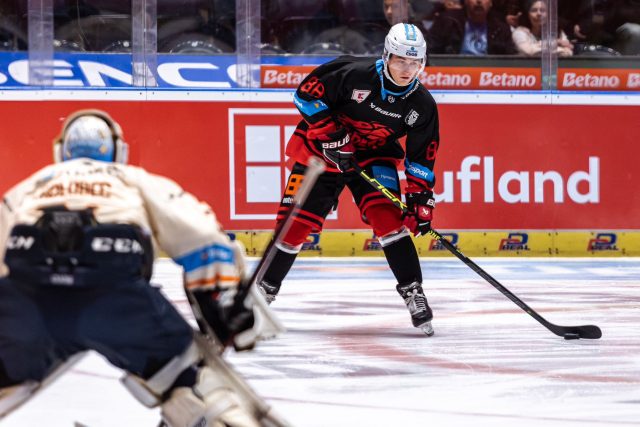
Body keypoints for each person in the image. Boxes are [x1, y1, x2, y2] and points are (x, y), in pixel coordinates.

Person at [0, 110, 275, 426]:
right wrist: (222, 309)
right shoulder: (132, 179)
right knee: (194, 389)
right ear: (118, 150)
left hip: (29, 297)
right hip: (115, 296)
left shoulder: (31, 185)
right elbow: (202, 239)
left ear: (61, 150)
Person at [258, 23, 439, 336]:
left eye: (415, 62)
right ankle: (263, 294)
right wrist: (334, 137)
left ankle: (413, 291)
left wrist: (421, 201)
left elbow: (421, 157)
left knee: (388, 220)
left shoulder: (422, 105)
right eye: (400, 61)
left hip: (373, 156)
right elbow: (305, 96)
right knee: (294, 225)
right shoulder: (352, 74)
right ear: (387, 56)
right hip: (322, 152)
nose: (407, 69)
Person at [428, 0, 517, 54]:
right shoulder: (447, 21)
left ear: (491, 3)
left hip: (488, 76)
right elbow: (431, 50)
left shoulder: (501, 28)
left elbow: (510, 58)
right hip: (452, 75)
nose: (479, 1)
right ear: (466, 1)